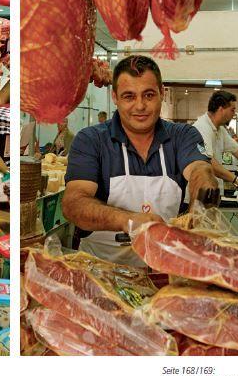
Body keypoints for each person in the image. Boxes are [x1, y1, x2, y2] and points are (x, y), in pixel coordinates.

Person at [62, 55, 215, 268]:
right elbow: (73, 203)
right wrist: (128, 221)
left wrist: (201, 202)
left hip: (163, 270)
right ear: (115, 97)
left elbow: (199, 170)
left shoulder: (182, 136)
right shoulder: (91, 140)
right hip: (99, 270)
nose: (140, 106)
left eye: (149, 95)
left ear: (162, 93)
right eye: (129, 97)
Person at [193, 90, 238, 191]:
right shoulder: (202, 128)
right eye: (232, 110)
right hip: (199, 193)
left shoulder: (220, 129)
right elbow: (208, 161)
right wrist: (236, 180)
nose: (234, 114)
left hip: (212, 190)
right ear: (221, 109)